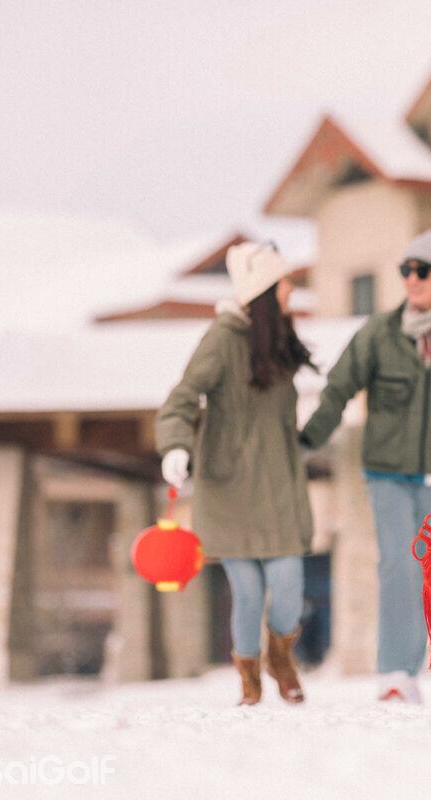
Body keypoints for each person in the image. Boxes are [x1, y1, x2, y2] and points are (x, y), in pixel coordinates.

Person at [299, 229, 431, 704]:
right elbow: (338, 388)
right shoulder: (379, 332)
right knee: (398, 561)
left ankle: (408, 671)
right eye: (406, 270)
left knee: (425, 570)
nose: (412, 279)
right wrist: (307, 441)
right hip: (387, 470)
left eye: (423, 270)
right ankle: (394, 672)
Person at [157, 240, 315, 706]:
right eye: (283, 282)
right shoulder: (222, 338)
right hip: (229, 486)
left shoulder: (277, 338)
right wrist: (175, 445)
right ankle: (249, 675)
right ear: (264, 289)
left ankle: (280, 656)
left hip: (279, 485)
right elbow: (181, 398)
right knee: (246, 591)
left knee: (288, 584)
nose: (290, 289)